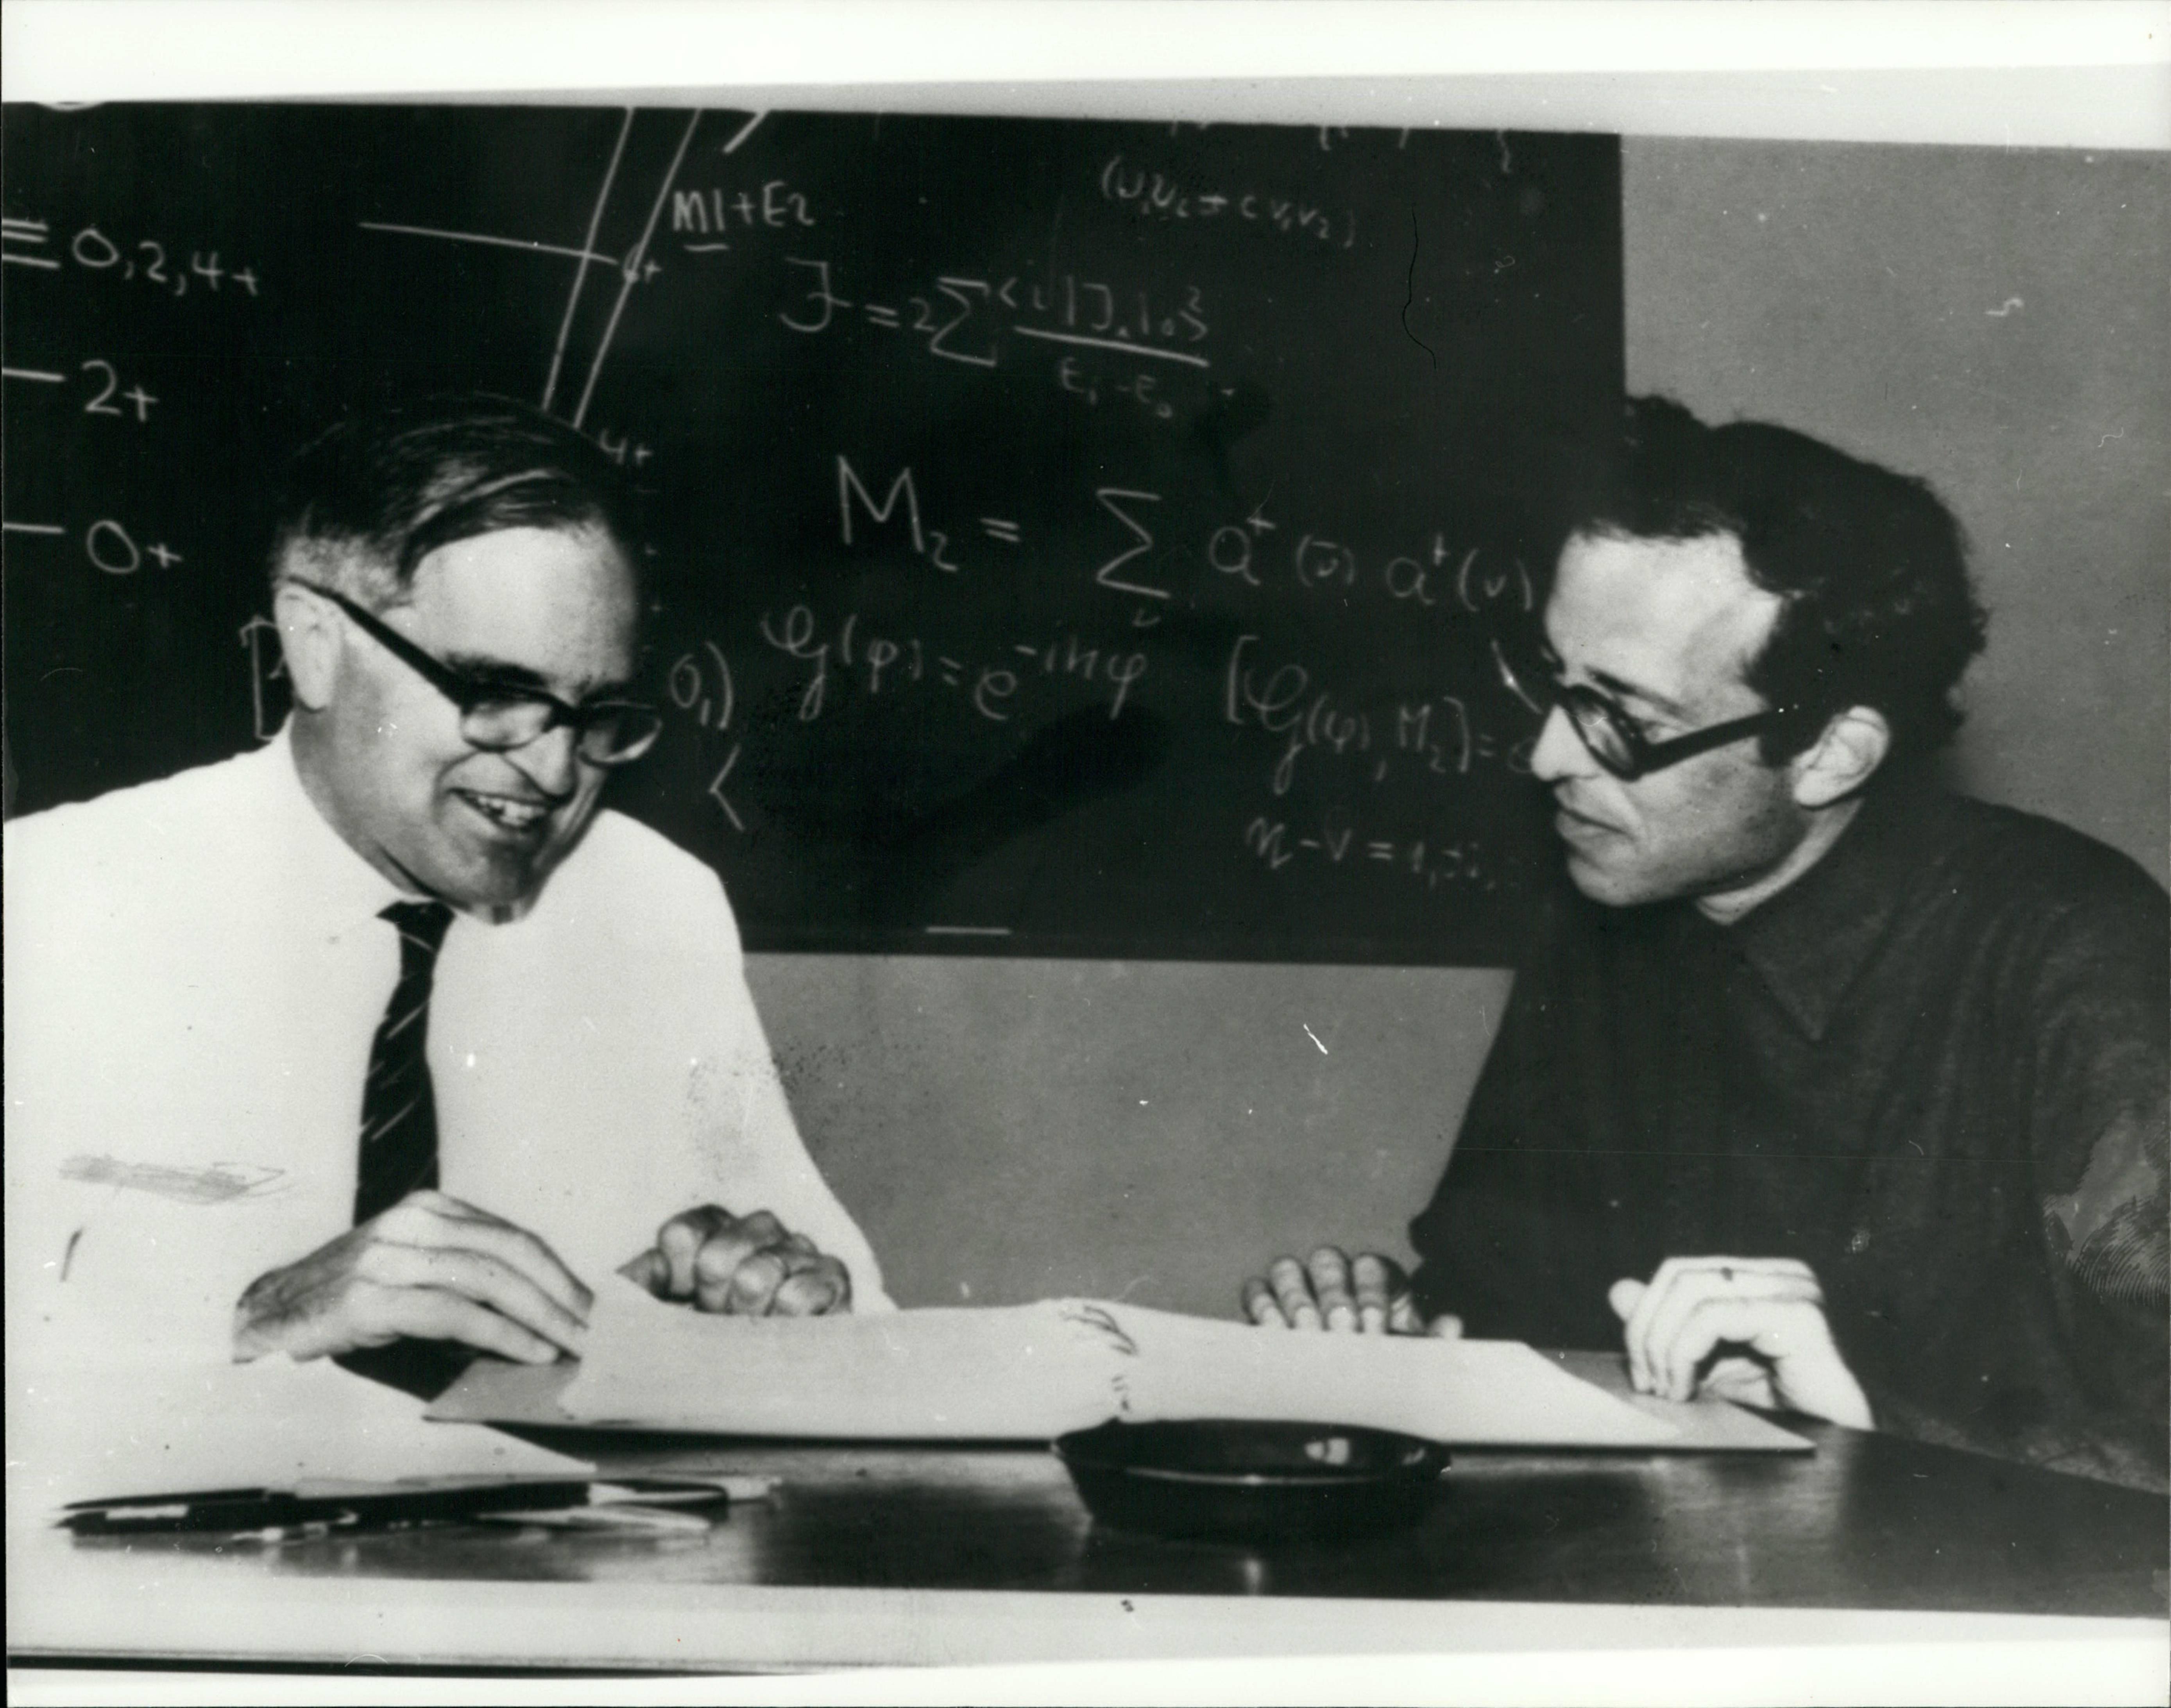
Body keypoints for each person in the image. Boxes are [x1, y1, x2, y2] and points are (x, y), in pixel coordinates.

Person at [1242, 397, 2167, 1492]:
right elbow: (1503, 1295)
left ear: (1829, 755)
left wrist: (1868, 1427)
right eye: (1553, 681)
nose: (1547, 755)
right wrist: (1394, 1334)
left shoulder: (2081, 958)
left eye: (1623, 719)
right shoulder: (1607, 903)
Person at [5, 395, 891, 1407]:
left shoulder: (656, 907)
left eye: (595, 712)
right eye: (491, 692)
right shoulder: (47, 901)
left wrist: (775, 1315)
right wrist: (250, 1319)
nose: (555, 770)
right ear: (314, 643)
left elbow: (850, 1321)